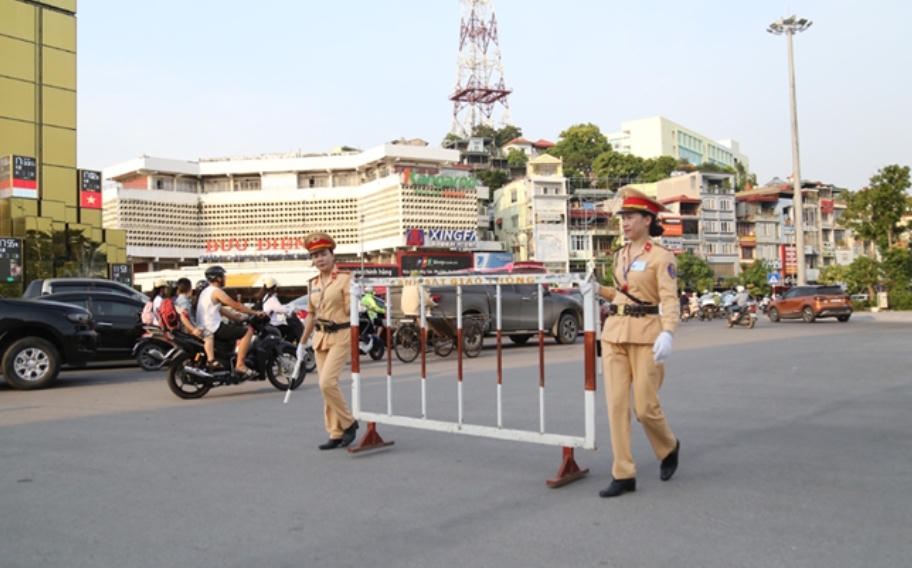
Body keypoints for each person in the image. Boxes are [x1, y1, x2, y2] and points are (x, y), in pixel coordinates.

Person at [581, 187, 681, 498]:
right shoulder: (620, 255)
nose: (624, 223)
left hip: (646, 334)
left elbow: (669, 298)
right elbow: (621, 294)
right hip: (614, 334)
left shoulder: (661, 257)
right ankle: (623, 473)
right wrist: (597, 289)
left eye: (630, 217)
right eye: (622, 217)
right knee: (616, 406)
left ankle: (668, 447)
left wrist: (668, 331)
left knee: (645, 408)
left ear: (647, 219)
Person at [298, 232, 359, 450]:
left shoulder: (345, 278)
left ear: (332, 255)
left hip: (341, 335)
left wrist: (358, 299)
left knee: (327, 383)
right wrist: (301, 343)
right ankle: (335, 433)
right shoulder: (312, 283)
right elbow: (310, 315)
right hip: (320, 338)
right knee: (325, 389)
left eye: (323, 254)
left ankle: (349, 423)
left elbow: (350, 309)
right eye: (315, 256)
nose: (320, 259)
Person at [195, 265, 264, 376]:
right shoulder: (216, 291)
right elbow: (236, 306)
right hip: (213, 327)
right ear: (218, 278)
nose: (224, 278)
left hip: (205, 327)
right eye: (223, 276)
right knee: (248, 331)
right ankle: (240, 365)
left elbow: (221, 310)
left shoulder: (206, 291)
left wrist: (237, 318)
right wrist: (256, 313)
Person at [173, 277, 215, 364]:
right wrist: (193, 329)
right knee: (209, 336)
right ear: (189, 288)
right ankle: (211, 360)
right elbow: (184, 317)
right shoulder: (184, 301)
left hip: (187, 328)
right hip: (188, 329)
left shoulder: (180, 299)